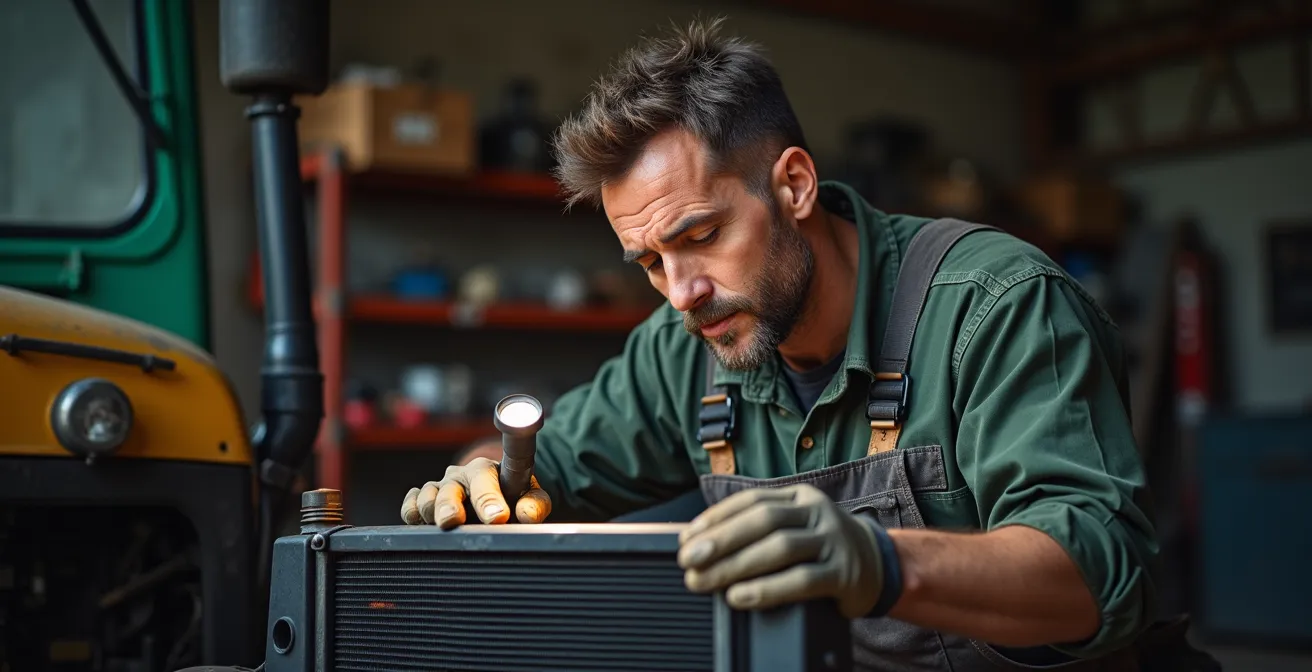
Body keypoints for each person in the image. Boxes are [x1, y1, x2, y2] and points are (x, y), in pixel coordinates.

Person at [400, 18, 1166, 670]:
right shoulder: (683, 349)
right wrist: (481, 483)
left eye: (700, 236)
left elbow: (1100, 569)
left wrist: (881, 561)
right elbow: (549, 470)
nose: (682, 292)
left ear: (794, 185)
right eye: (651, 264)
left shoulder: (998, 308)